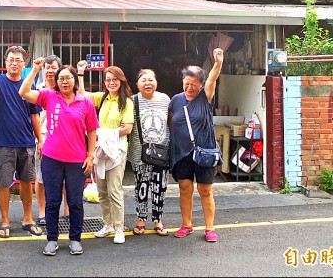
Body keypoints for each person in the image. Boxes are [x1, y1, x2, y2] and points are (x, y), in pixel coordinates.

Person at [20, 58, 99, 256]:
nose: (65, 81)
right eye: (61, 78)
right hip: (52, 159)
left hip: (76, 161)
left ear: (74, 80)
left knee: (75, 201)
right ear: (56, 80)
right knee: (53, 201)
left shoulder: (85, 103)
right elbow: (23, 92)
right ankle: (52, 239)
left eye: (68, 78)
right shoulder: (49, 96)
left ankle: (75, 239)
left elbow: (91, 131)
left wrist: (91, 156)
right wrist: (36, 69)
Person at [0, 46, 43, 238]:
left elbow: (34, 115)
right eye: (11, 59)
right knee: (3, 184)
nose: (14, 63)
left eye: (18, 60)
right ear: (5, 62)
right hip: (3, 142)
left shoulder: (28, 85)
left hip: (26, 142)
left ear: (24, 63)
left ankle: (28, 218)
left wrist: (40, 140)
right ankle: (5, 220)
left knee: (27, 182)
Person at [168, 48, 224, 243]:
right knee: (184, 187)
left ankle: (210, 228)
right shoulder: (175, 100)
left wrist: (217, 63)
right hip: (181, 152)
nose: (189, 87)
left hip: (204, 151)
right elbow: (171, 122)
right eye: (186, 83)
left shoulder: (205, 97)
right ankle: (187, 224)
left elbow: (212, 79)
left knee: (205, 190)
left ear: (201, 85)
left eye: (194, 84)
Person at [76, 61, 134, 244]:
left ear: (121, 81)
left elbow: (128, 129)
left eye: (115, 79)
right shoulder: (102, 98)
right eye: (108, 80)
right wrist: (80, 72)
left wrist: (103, 132)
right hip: (101, 151)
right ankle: (107, 224)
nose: (111, 83)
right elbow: (82, 95)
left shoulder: (127, 102)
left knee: (114, 190)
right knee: (102, 190)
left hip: (117, 151)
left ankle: (119, 228)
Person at [127, 69, 171, 236]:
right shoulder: (132, 101)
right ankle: (141, 219)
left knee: (160, 186)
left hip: (161, 152)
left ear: (156, 81)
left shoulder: (165, 99)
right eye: (143, 80)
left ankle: (158, 219)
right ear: (137, 84)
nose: (147, 83)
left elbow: (170, 122)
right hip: (140, 153)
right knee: (142, 187)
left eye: (151, 80)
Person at [35, 55, 69, 226]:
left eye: (53, 67)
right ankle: (42, 210)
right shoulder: (38, 88)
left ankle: (67, 210)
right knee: (41, 177)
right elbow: (33, 116)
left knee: (65, 176)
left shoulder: (64, 89)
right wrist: (40, 140)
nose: (49, 70)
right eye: (47, 67)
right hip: (42, 137)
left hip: (63, 138)